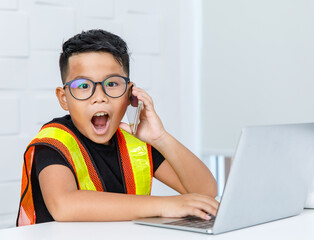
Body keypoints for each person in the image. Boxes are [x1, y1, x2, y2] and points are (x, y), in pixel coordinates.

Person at [17, 29, 218, 226]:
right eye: (84, 86)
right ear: (64, 98)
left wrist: (160, 138)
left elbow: (204, 192)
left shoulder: (135, 141)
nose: (100, 97)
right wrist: (166, 204)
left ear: (130, 94)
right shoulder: (53, 141)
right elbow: (64, 205)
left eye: (112, 83)